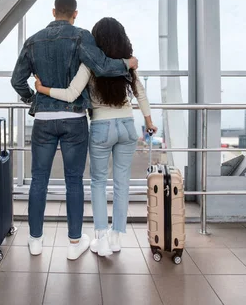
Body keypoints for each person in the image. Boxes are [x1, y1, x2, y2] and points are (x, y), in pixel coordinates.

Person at [11, 0, 138, 260]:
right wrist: (127, 63)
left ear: (54, 11)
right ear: (75, 13)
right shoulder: (81, 36)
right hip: (74, 119)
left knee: (39, 180)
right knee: (74, 182)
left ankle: (35, 241)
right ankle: (73, 243)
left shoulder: (32, 41)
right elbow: (101, 66)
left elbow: (17, 80)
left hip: (44, 121)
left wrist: (32, 99)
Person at [35, 17, 157, 257]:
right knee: (122, 183)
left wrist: (43, 90)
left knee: (99, 183)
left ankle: (100, 240)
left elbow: (71, 94)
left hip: (101, 127)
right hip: (127, 126)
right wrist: (149, 122)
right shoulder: (127, 64)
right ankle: (116, 239)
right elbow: (140, 94)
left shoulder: (89, 64)